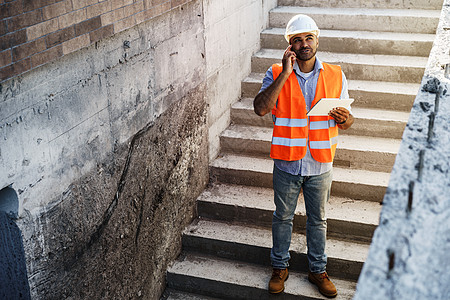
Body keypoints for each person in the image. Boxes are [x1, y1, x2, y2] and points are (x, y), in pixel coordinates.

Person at [253, 14, 354, 298]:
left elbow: (347, 122)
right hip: (287, 162)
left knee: (318, 219)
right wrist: (286, 73)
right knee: (282, 217)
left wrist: (345, 118)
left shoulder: (335, 74)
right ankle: (279, 267)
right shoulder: (275, 73)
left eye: (309, 38)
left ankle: (317, 270)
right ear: (290, 46)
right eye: (297, 39)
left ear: (317, 40)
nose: (304, 43)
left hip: (320, 163)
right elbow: (261, 108)